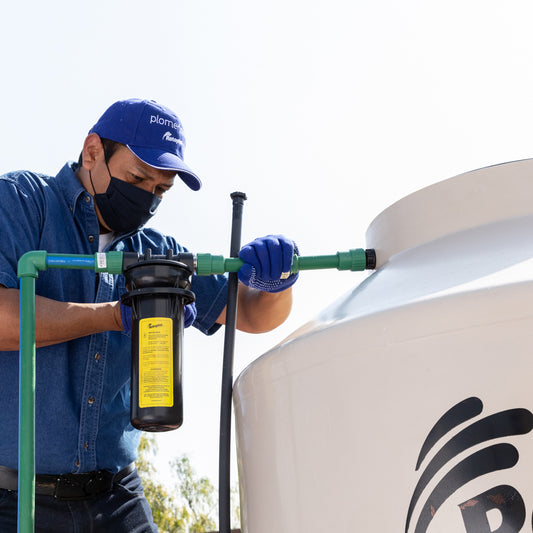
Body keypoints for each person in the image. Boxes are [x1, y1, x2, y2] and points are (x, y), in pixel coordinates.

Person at [0, 98, 299, 532]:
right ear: (92, 152)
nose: (145, 198)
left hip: (115, 498)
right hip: (15, 499)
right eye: (137, 178)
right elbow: (5, 319)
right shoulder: (23, 203)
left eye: (160, 191)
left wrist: (277, 282)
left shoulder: (158, 252)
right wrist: (116, 315)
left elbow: (252, 316)